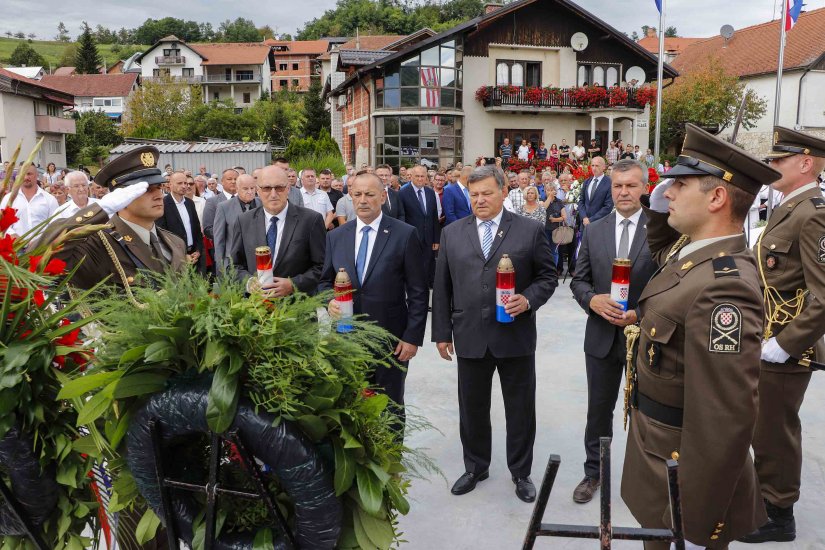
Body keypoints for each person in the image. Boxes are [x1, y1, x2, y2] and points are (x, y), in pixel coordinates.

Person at [621, 123, 783, 549]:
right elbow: (663, 255)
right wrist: (659, 207)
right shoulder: (693, 253)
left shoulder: (724, 286)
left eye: (680, 184)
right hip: (657, 456)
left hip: (683, 478)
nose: (667, 191)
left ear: (716, 197)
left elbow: (723, 419)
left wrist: (695, 522)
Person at [432, 165, 558, 503]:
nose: (480, 200)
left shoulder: (529, 231)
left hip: (514, 337)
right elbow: (442, 287)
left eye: (487, 193)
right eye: (474, 194)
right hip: (469, 334)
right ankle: (475, 467)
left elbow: (548, 277)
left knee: (520, 408)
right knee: (472, 408)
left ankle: (521, 472)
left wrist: (528, 300)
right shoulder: (453, 233)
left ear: (504, 191)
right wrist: (442, 333)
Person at [739, 127, 825, 544]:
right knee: (762, 426)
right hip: (766, 337)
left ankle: (779, 515)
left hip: (787, 347)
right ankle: (765, 502)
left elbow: (824, 295)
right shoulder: (788, 206)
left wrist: (787, 343)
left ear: (805, 163)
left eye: (779, 160)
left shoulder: (813, 213)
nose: (771, 166)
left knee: (775, 430)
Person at [569, 159, 657, 504]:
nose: (623, 192)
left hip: (647, 337)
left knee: (647, 411)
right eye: (618, 186)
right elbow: (579, 280)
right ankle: (594, 473)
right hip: (602, 338)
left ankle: (646, 477)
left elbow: (671, 287)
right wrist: (592, 301)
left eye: (631, 185)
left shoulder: (663, 230)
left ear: (644, 187)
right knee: (599, 410)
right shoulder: (594, 230)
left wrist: (641, 313)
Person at [319, 172, 428, 431]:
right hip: (346, 337)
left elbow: (418, 291)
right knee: (350, 405)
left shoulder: (404, 234)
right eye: (357, 194)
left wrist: (412, 337)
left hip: (390, 340)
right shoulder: (337, 237)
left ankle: (391, 468)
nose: (363, 200)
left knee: (389, 407)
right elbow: (324, 282)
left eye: (369, 194)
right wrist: (328, 302)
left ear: (383, 196)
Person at [36, 146, 189, 291]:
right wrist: (100, 209)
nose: (158, 196)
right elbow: (40, 261)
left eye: (158, 187)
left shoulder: (175, 242)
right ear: (121, 196)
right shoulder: (99, 243)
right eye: (145, 190)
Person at [228, 166, 326, 296]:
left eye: (279, 188)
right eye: (267, 188)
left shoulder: (311, 220)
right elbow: (234, 265)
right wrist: (249, 282)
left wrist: (294, 284)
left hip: (297, 307)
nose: (273, 194)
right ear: (258, 190)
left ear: (288, 189)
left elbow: (322, 266)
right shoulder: (244, 221)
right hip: (256, 308)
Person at [398, 165, 442, 286]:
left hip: (428, 238)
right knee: (412, 268)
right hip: (412, 238)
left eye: (423, 176)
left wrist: (436, 239)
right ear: (411, 177)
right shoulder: (403, 193)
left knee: (427, 267)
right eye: (417, 176)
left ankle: (425, 296)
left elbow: (434, 217)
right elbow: (402, 217)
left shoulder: (430, 193)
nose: (420, 179)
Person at [156, 171, 205, 274]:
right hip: (175, 258)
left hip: (194, 257)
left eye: (185, 183)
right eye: (179, 183)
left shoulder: (190, 203)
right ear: (170, 185)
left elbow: (196, 230)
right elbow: (162, 235)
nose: (184, 186)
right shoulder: (163, 204)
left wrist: (198, 250)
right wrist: (181, 255)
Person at [213, 173, 258, 272]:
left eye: (252, 188)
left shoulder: (262, 204)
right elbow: (219, 240)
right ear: (237, 189)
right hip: (233, 261)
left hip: (259, 260)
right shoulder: (224, 207)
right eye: (245, 189)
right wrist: (221, 266)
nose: (250, 192)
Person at [0, 164, 58, 238]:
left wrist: (40, 240)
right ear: (18, 177)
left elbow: (55, 224)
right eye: (23, 174)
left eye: (29, 174)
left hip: (41, 247)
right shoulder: (8, 199)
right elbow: (2, 222)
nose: (26, 177)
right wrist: (12, 234)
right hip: (15, 246)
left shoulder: (50, 199)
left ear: (37, 175)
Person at [202, 168, 239, 240]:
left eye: (236, 179)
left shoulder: (246, 200)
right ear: (222, 182)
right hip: (223, 247)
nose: (233, 181)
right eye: (229, 179)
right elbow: (208, 229)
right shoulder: (212, 202)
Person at [578, 157, 613, 227]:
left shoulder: (609, 183)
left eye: (597, 166)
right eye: (592, 165)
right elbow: (581, 201)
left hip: (600, 225)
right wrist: (584, 217)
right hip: (584, 224)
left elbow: (608, 207)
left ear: (604, 167)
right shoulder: (587, 182)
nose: (594, 168)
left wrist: (591, 220)